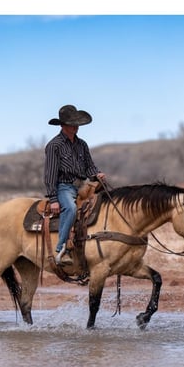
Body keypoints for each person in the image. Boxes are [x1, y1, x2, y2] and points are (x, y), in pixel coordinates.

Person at [44, 104, 107, 265]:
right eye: (73, 124)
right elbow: (50, 174)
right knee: (71, 209)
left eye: (77, 124)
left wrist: (96, 173)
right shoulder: (54, 146)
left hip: (83, 186)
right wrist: (53, 199)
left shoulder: (82, 144)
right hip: (64, 187)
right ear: (63, 125)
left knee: (105, 204)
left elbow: (89, 166)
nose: (76, 127)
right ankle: (61, 250)